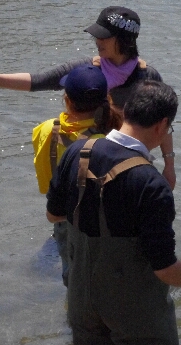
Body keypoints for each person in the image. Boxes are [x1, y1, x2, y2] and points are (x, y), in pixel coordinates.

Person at [45, 80, 181, 345]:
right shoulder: (150, 184)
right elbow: (163, 268)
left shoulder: (77, 152)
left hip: (83, 295)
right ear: (163, 125)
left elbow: (54, 217)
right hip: (132, 307)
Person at [1, 6, 177, 188]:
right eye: (96, 36)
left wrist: (169, 166)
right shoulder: (87, 71)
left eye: (104, 36)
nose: (97, 41)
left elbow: (163, 125)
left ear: (125, 41)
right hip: (88, 170)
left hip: (129, 169)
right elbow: (38, 81)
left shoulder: (147, 77)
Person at [31, 65, 120, 285]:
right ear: (105, 100)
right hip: (99, 223)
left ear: (67, 100)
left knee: (72, 274)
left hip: (61, 218)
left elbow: (45, 181)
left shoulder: (44, 129)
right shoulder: (108, 141)